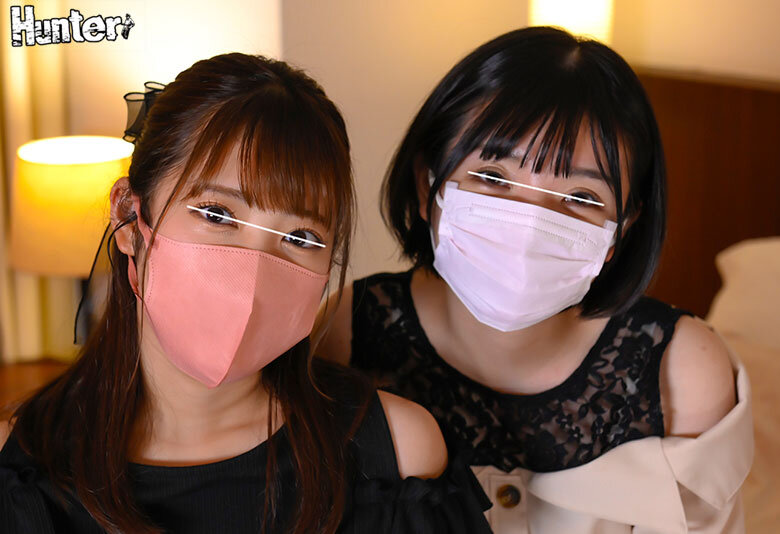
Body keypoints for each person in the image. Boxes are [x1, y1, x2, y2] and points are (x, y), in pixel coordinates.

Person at [0, 53, 492, 534]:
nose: (253, 270)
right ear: (130, 216)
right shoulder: (18, 466)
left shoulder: (397, 457)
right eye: (217, 214)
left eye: (301, 237)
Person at [317, 27, 753, 533]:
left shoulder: (680, 372)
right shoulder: (345, 332)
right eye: (493, 177)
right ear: (425, 185)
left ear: (622, 229)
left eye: (581, 198)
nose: (528, 226)